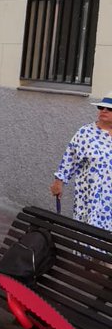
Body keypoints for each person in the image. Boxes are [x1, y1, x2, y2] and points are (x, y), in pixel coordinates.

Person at [50, 93, 112, 231]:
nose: (104, 111)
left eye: (109, 109)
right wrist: (59, 181)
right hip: (89, 197)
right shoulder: (86, 133)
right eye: (101, 107)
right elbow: (70, 158)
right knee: (88, 233)